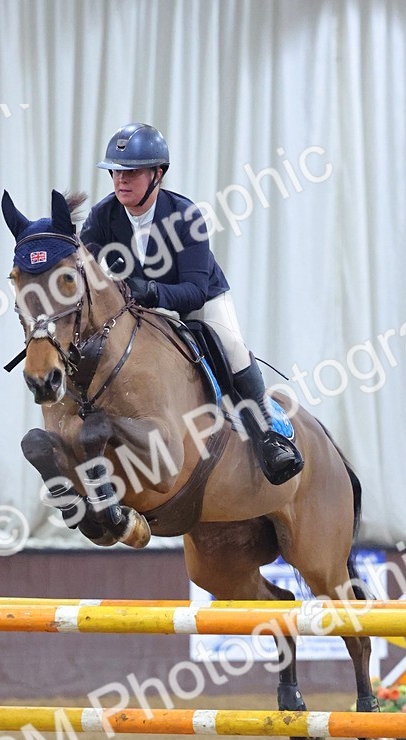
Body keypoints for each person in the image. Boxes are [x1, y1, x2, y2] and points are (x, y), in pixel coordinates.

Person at [79, 122, 303, 486]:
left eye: (131, 172)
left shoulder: (185, 216)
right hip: (139, 309)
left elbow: (196, 290)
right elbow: (83, 267)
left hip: (199, 302)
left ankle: (266, 434)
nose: (121, 181)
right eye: (116, 172)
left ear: (157, 174)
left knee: (231, 345)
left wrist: (151, 292)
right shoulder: (104, 217)